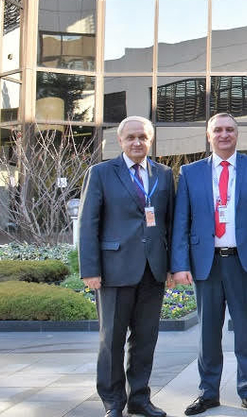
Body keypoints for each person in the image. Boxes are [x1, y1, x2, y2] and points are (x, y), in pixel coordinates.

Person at [171, 113, 247, 416]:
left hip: (244, 262)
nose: (223, 134)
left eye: (229, 130)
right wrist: (180, 264)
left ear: (237, 134)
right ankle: (208, 393)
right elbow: (182, 221)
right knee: (207, 333)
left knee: (246, 331)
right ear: (209, 135)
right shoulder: (190, 172)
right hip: (206, 263)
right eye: (217, 130)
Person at [79, 116, 175, 417]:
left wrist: (171, 266)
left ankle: (140, 398)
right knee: (112, 340)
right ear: (119, 141)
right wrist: (90, 269)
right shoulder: (101, 173)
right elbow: (88, 224)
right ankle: (113, 401)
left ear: (150, 140)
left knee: (145, 339)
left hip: (153, 271)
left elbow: (169, 223)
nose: (137, 142)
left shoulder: (164, 173)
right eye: (131, 137)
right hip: (114, 270)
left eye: (143, 137)